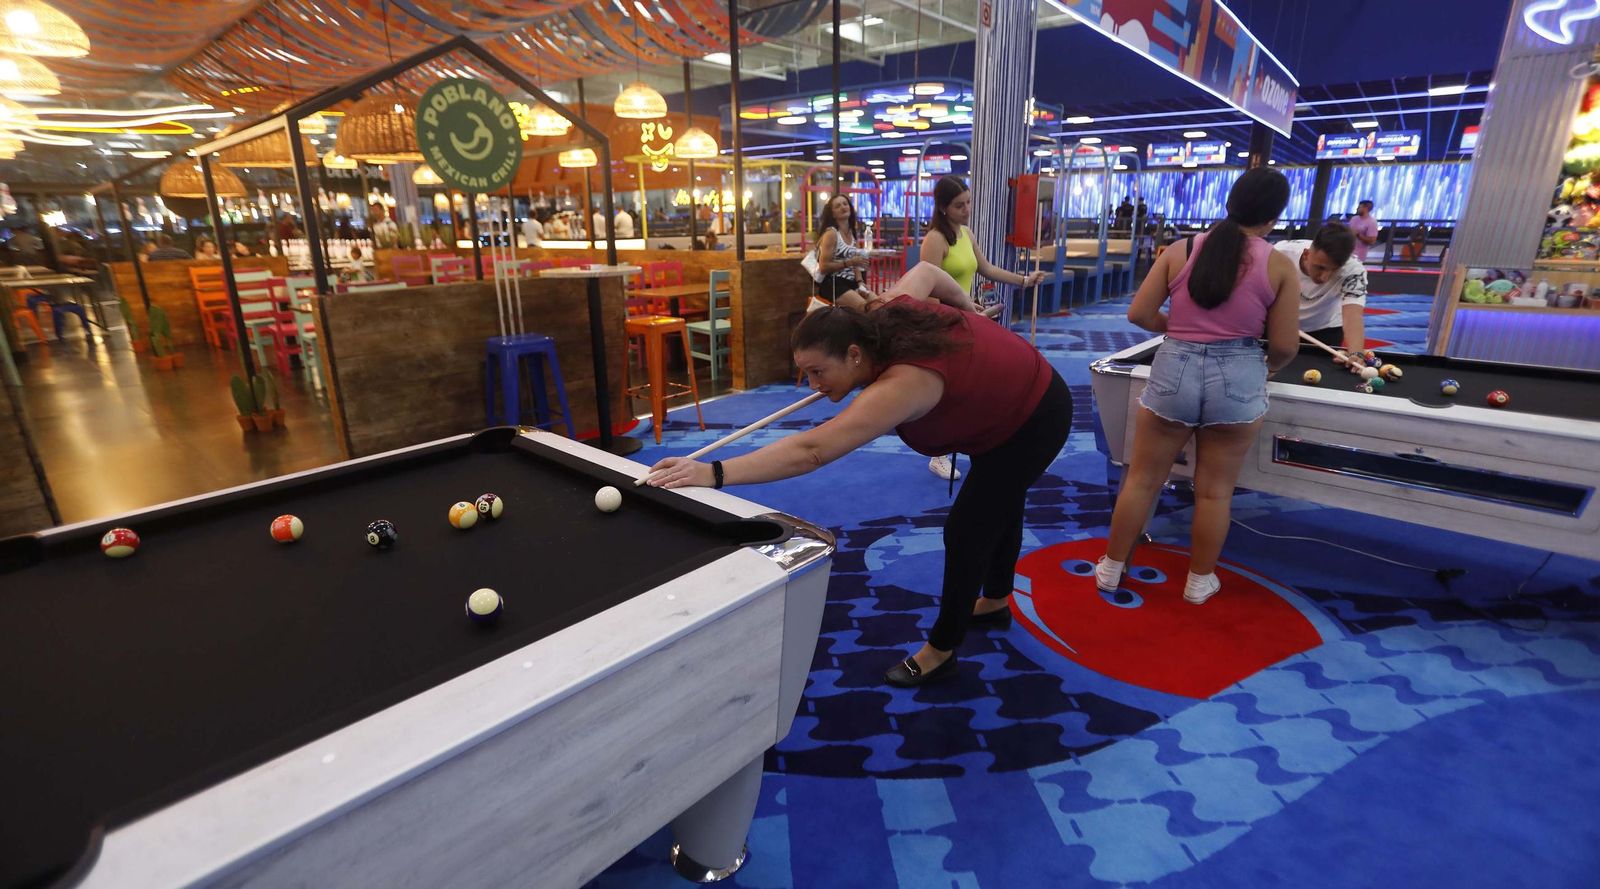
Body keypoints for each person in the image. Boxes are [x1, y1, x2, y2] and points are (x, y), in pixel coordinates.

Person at [645, 262, 1073, 688]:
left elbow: (812, 451)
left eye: (818, 372)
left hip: (1036, 414)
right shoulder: (877, 317)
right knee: (999, 500)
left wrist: (713, 473)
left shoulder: (903, 382)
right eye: (806, 372)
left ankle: (942, 650)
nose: (813, 385)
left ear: (854, 354)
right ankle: (996, 600)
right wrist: (968, 309)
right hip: (1000, 405)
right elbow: (925, 271)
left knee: (968, 527)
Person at [1095, 168, 1300, 606]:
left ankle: (1111, 568)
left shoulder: (1180, 250)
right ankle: (1198, 581)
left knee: (1142, 480)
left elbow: (1139, 314)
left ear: (1231, 202)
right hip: (1241, 372)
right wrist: (1267, 366)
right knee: (1213, 491)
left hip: (1174, 369)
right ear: (1273, 217)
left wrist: (1182, 331)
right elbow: (1284, 346)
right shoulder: (1280, 264)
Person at [917, 174, 1046, 481]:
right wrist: (962, 308)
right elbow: (927, 292)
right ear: (944, 208)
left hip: (969, 317)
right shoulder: (935, 240)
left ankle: (980, 439)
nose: (967, 209)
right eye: (960, 205)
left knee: (977, 383)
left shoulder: (965, 233)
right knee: (948, 390)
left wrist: (1024, 280)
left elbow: (985, 268)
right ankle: (938, 453)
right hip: (944, 322)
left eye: (969, 202)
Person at [1273, 223, 1367, 357]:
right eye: (1320, 267)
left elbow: (1353, 315)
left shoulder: (1353, 271)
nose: (1324, 277)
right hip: (1279, 326)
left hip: (1325, 331)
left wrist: (1357, 354)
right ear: (1306, 254)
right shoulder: (1279, 254)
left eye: (1334, 269)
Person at [812, 194, 871, 306]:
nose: (843, 207)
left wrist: (860, 282)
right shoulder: (831, 234)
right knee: (864, 307)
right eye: (838, 206)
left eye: (845, 204)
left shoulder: (853, 232)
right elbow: (823, 267)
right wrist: (849, 262)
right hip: (833, 283)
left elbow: (856, 262)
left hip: (852, 282)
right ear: (833, 214)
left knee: (877, 304)